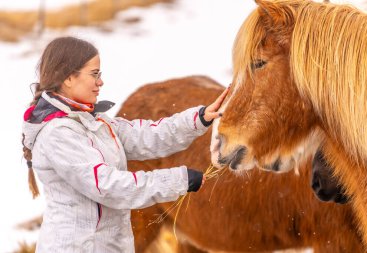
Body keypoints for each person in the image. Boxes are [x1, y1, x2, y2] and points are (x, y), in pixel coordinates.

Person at [21, 36, 228, 253]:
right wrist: (177, 180)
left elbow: (146, 136)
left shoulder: (93, 121)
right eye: (94, 74)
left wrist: (199, 118)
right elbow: (109, 186)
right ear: (68, 78)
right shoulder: (58, 134)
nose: (100, 81)